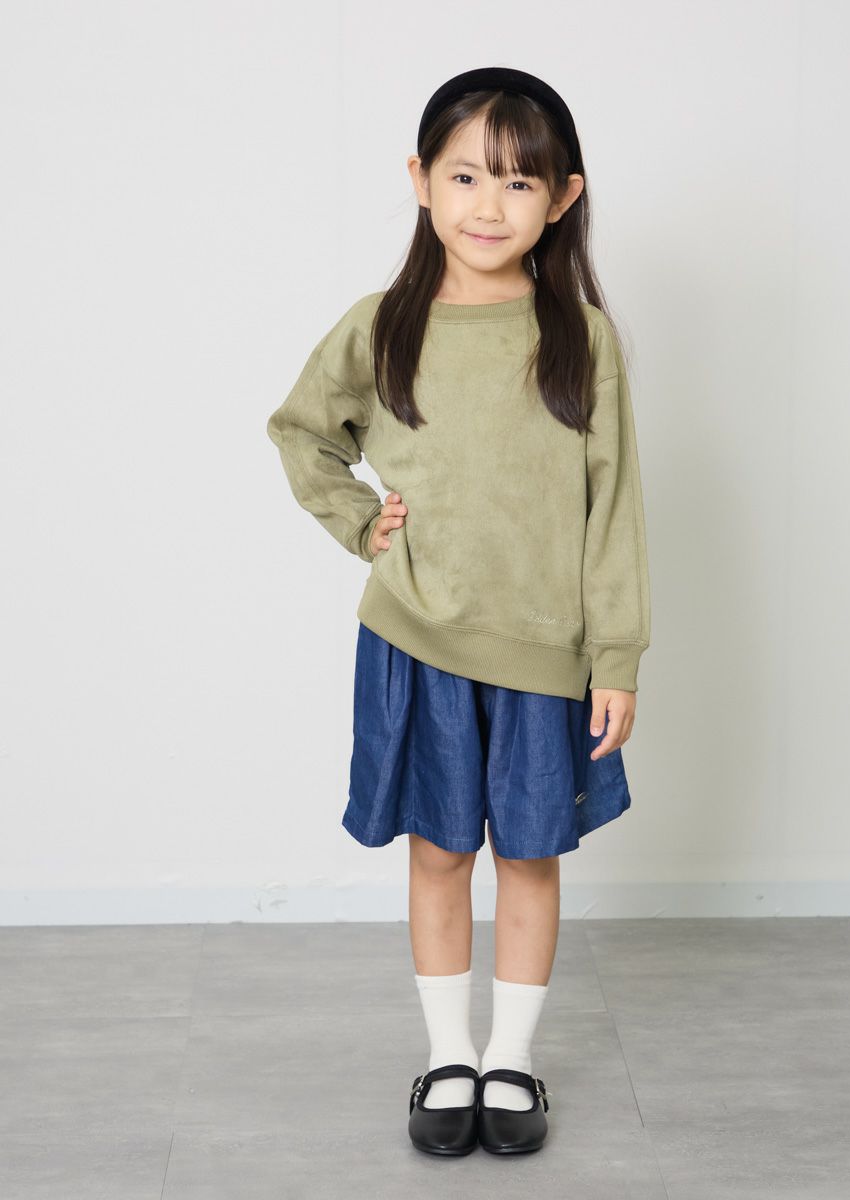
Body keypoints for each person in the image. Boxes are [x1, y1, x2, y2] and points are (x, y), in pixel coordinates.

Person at [266, 65, 652, 1157]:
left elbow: (613, 505)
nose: (490, 204)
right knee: (439, 851)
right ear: (422, 180)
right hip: (417, 640)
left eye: (520, 182)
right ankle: (448, 1056)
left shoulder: (580, 336)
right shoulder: (383, 325)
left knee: (529, 855)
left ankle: (511, 1061)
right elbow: (303, 432)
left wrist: (616, 654)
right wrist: (362, 524)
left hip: (545, 653)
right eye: (467, 176)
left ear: (563, 198)